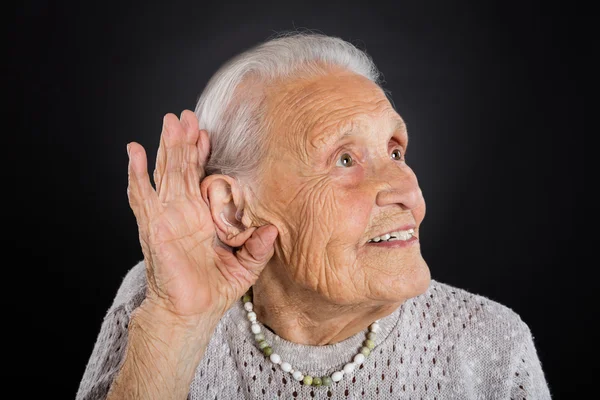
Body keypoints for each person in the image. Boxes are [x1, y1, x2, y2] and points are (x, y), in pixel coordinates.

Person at [76, 32, 552, 399]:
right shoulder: (155, 299)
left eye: (396, 152)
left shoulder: (490, 343)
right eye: (345, 160)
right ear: (233, 210)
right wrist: (176, 323)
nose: (407, 191)